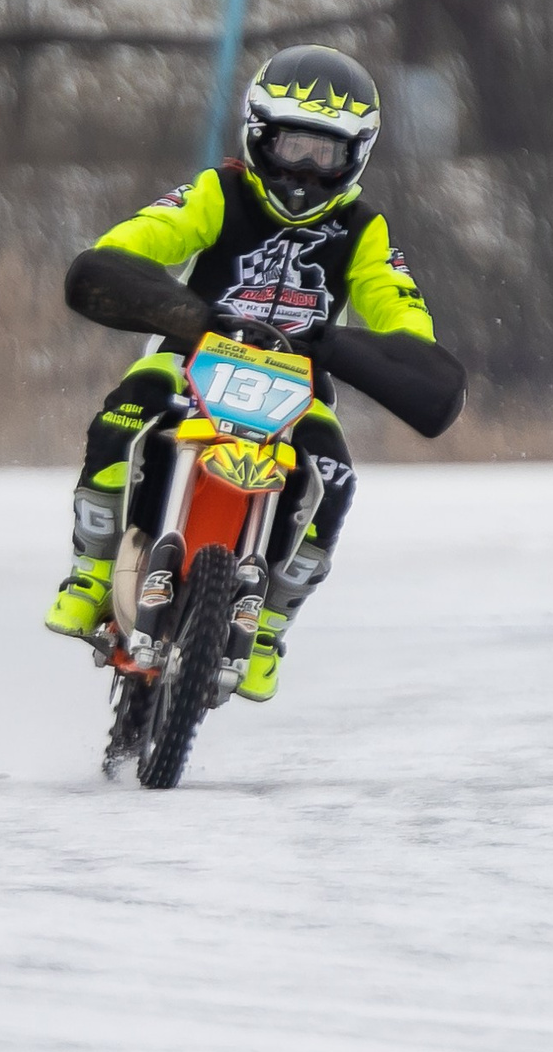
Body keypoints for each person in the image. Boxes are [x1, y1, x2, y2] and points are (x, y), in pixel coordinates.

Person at [42, 44, 465, 699]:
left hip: (297, 392)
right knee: (128, 406)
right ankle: (91, 570)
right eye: (291, 145)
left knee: (335, 475)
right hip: (190, 362)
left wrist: (339, 343)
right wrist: (186, 311)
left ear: (354, 156)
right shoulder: (218, 191)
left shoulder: (364, 230)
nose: (303, 168)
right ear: (259, 135)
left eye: (323, 153)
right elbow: (134, 242)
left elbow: (406, 328)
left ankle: (267, 623)